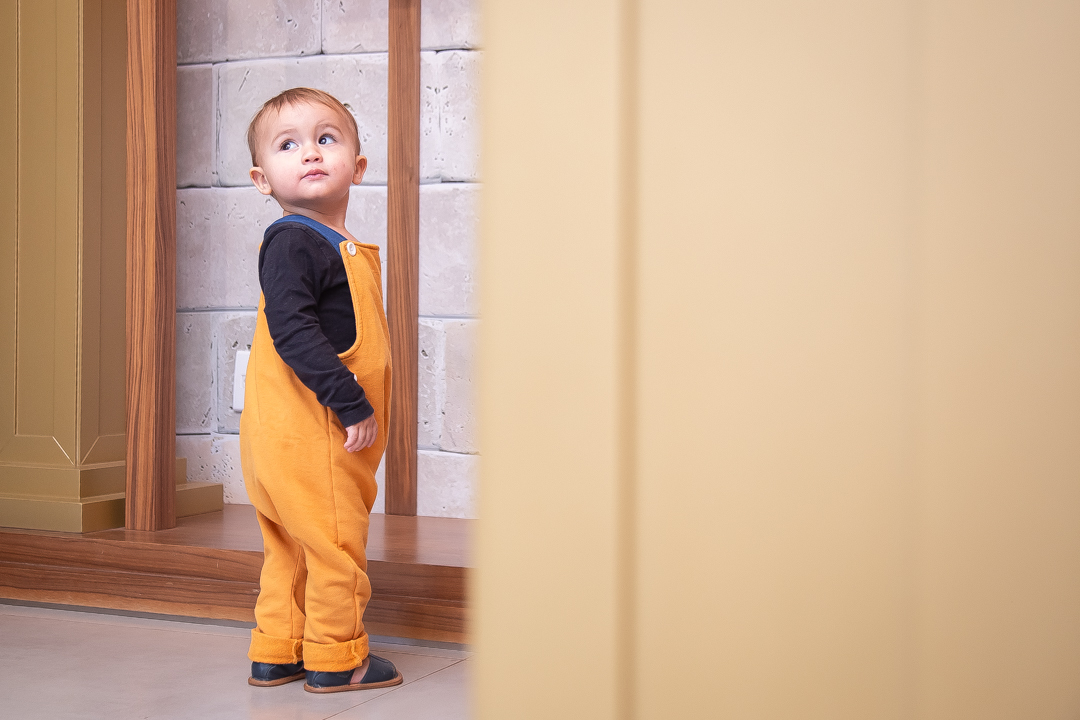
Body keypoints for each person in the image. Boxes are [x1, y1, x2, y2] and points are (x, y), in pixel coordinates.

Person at [238, 87, 400, 694]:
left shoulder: (324, 245)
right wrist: (350, 400)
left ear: (357, 166)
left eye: (325, 139)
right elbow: (294, 331)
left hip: (278, 438)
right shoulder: (296, 240)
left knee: (290, 548)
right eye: (288, 145)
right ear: (262, 178)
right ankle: (337, 657)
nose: (309, 152)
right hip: (314, 435)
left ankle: (277, 649)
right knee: (334, 545)